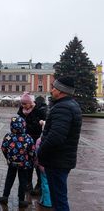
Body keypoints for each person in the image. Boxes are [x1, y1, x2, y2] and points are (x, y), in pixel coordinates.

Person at [37, 76, 82, 211]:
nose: (51, 90)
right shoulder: (70, 105)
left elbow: (55, 137)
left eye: (54, 88)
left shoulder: (63, 107)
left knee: (59, 200)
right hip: (61, 160)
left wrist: (40, 151)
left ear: (61, 90)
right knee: (58, 198)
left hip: (57, 161)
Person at [0, 116, 35, 208]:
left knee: (9, 179)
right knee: (23, 181)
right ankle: (21, 200)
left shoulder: (8, 136)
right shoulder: (28, 137)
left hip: (12, 163)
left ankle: (5, 196)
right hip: (24, 164)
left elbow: (3, 148)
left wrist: (8, 157)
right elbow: (32, 151)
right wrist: (31, 160)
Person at [17, 92, 47, 195]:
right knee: (27, 163)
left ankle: (39, 184)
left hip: (36, 141)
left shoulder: (39, 111)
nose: (23, 106)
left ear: (31, 103)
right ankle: (28, 183)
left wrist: (30, 126)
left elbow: (41, 126)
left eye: (25, 104)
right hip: (25, 141)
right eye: (22, 104)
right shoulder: (21, 111)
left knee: (38, 164)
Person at [35, 120, 52, 208]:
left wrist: (36, 162)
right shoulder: (54, 140)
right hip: (52, 166)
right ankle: (49, 200)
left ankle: (47, 202)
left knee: (45, 184)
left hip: (42, 165)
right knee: (52, 183)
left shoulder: (39, 140)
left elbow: (36, 153)